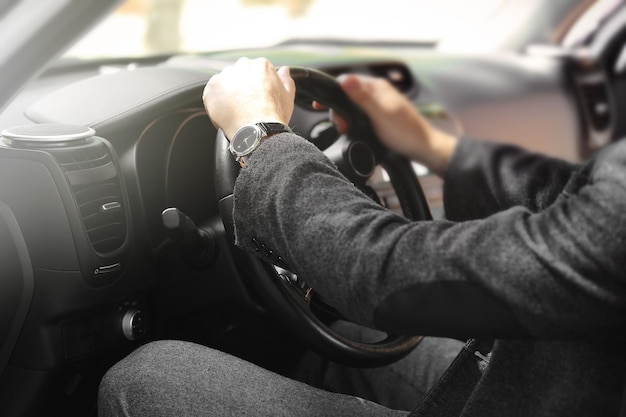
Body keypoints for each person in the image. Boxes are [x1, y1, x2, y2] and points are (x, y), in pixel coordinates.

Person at [98, 57, 626, 416]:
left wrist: (259, 136)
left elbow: (383, 273)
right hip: (554, 377)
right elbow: (559, 204)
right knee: (324, 353)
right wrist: (432, 145)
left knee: (145, 377)